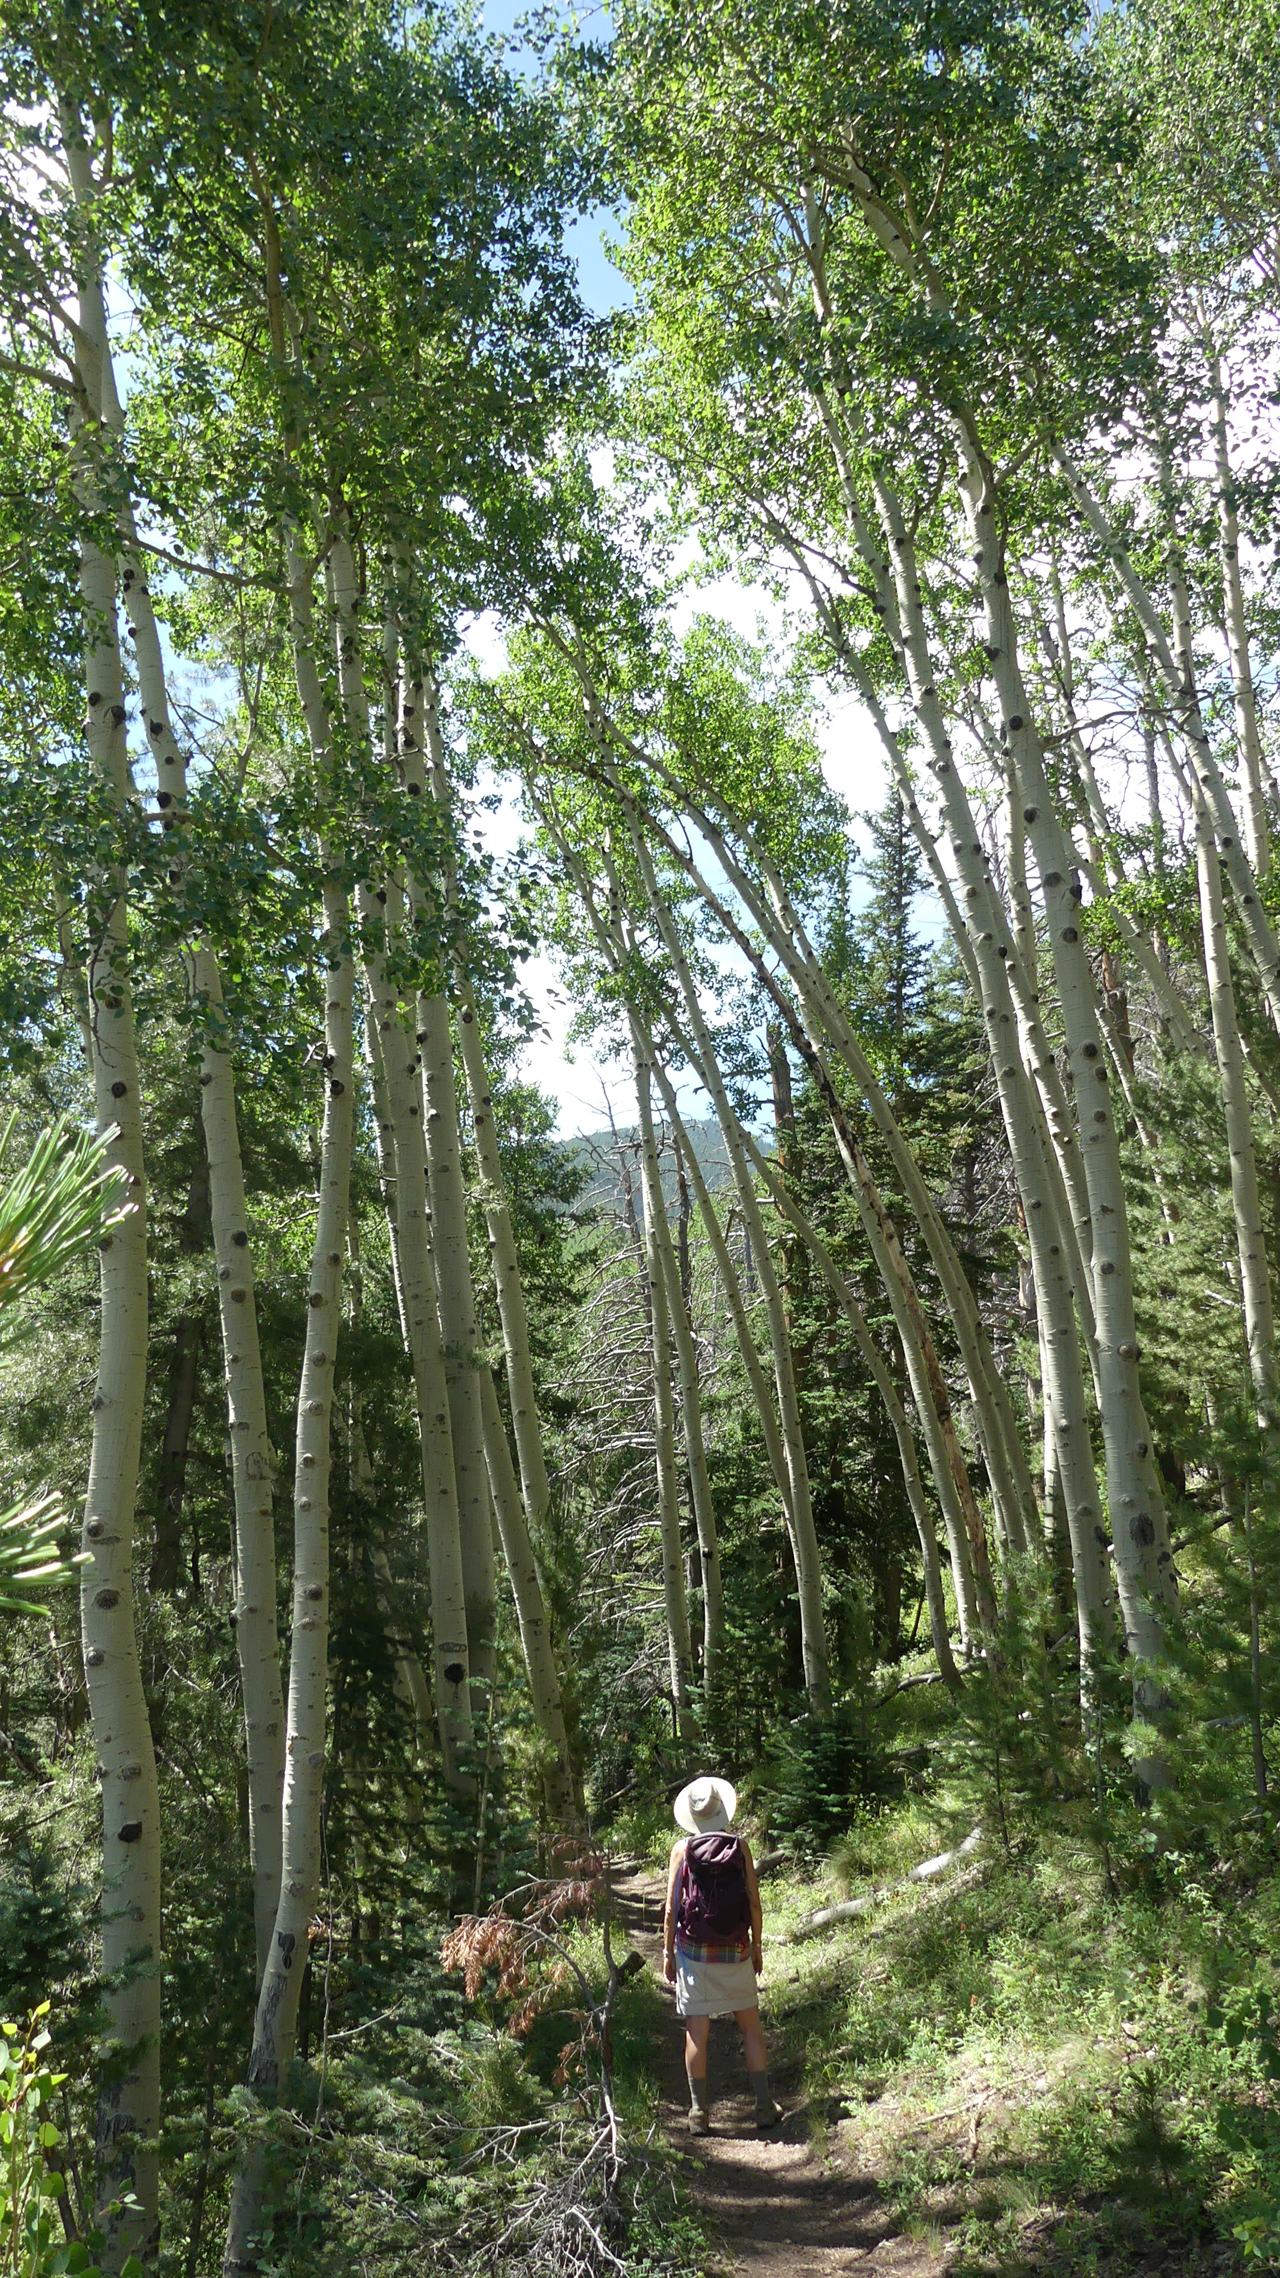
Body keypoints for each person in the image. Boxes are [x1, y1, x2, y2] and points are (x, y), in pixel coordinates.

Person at [662, 1774, 781, 2135]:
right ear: (722, 1810)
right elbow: (754, 1904)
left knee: (697, 2032)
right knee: (750, 2028)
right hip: (736, 1949)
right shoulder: (739, 1846)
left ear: (693, 1816)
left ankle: (698, 2113)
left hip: (694, 1952)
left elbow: (670, 1910)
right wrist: (756, 1947)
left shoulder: (681, 1850)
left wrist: (667, 1953)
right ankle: (763, 2107)